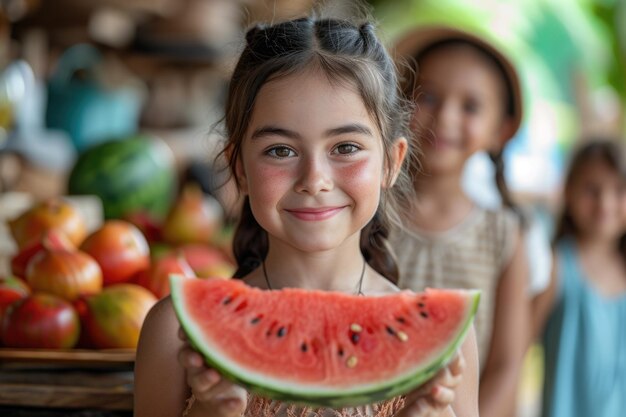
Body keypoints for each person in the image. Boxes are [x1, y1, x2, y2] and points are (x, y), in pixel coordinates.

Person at [134, 16, 480, 417]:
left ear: (391, 162)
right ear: (240, 168)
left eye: (346, 147)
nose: (314, 180)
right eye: (280, 150)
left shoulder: (451, 343)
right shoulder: (174, 333)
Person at [391, 26, 531, 417]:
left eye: (470, 106)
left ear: (499, 131)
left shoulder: (503, 234)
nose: (446, 117)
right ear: (401, 103)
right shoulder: (367, 216)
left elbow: (507, 365)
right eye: (429, 96)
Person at [533, 140, 626, 417]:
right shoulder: (557, 266)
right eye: (591, 190)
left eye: (619, 190)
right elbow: (516, 352)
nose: (604, 203)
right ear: (568, 192)